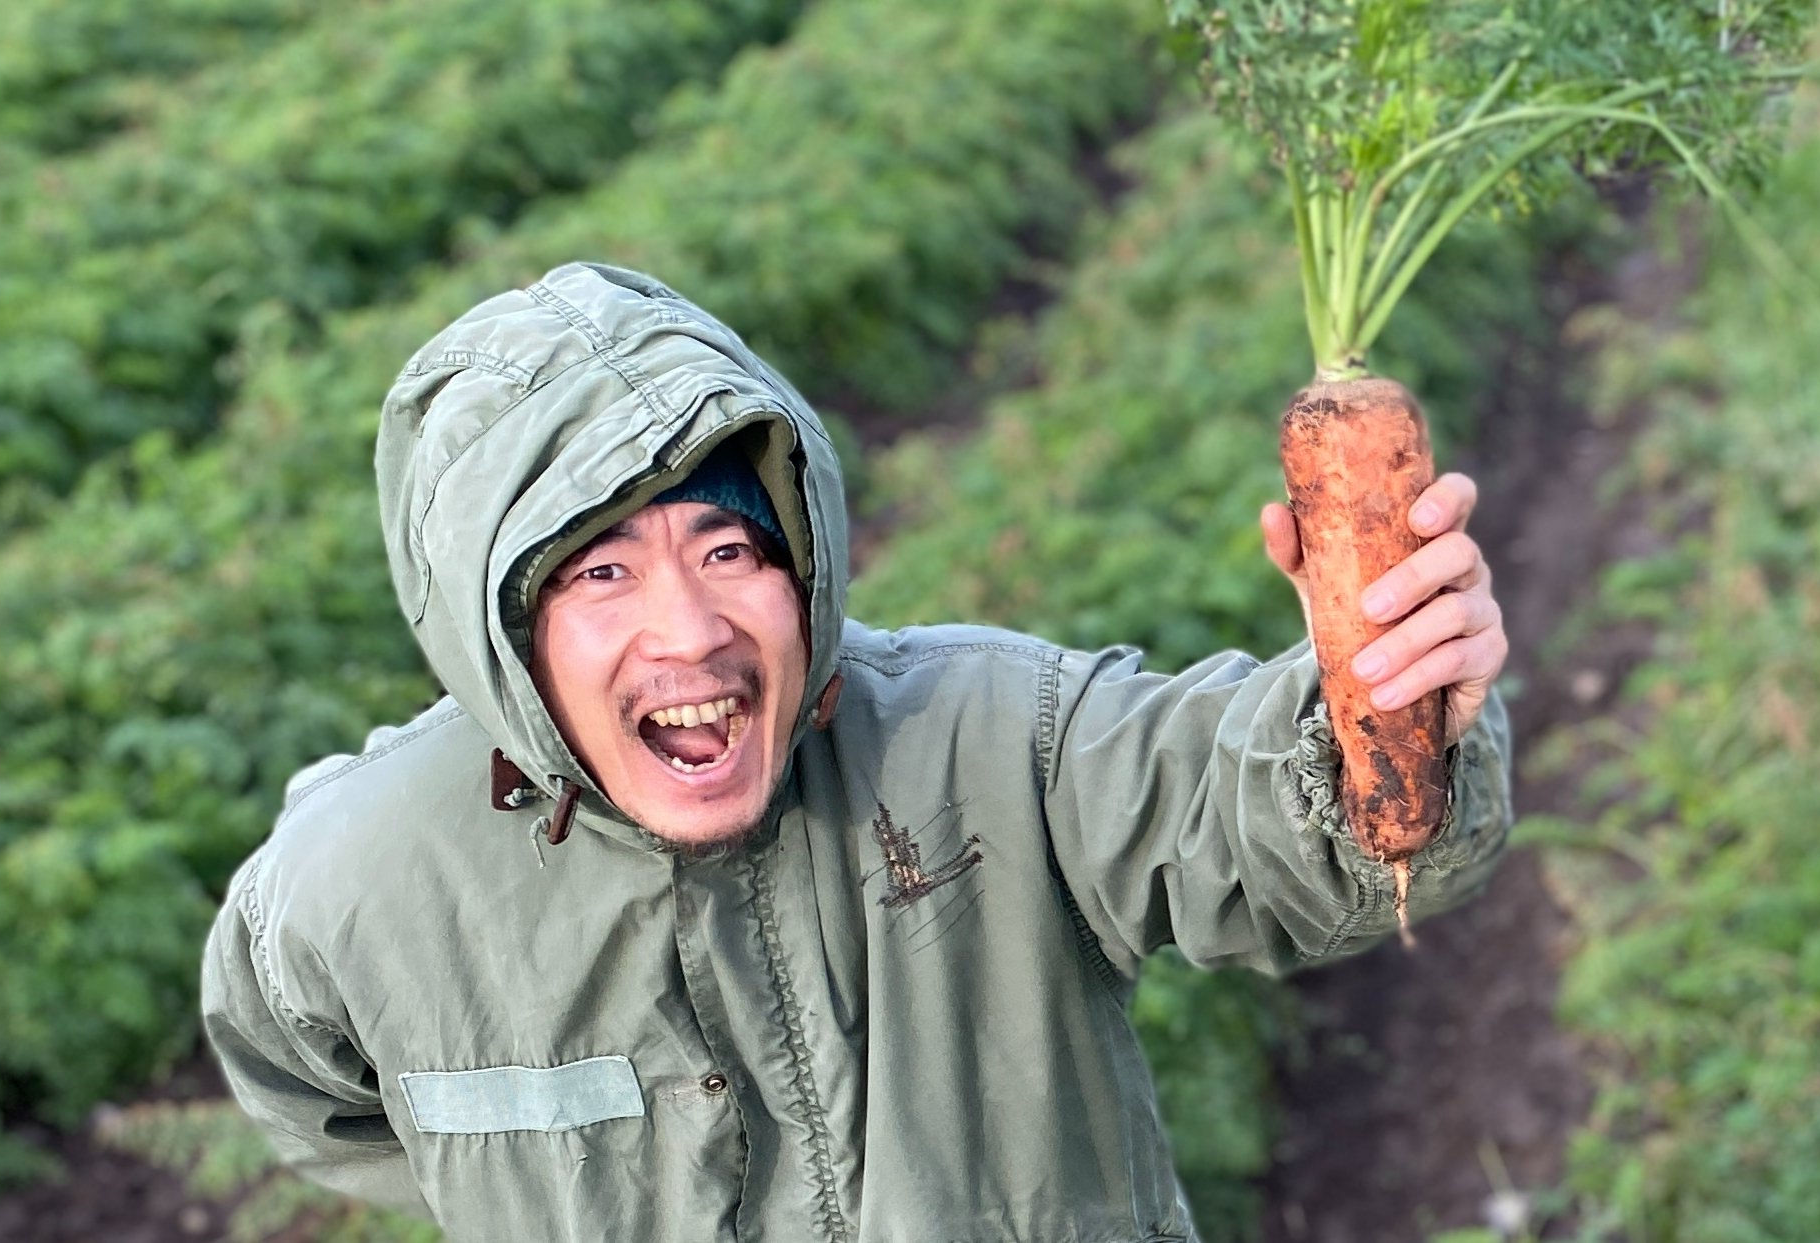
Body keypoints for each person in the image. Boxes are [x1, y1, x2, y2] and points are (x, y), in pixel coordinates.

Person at [201, 262, 1513, 1243]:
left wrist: (1391, 697)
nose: (689, 629)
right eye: (602, 571)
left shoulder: (994, 740)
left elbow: (1263, 829)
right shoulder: (363, 880)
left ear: (805, 564)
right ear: (499, 625)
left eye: (730, 548)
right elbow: (303, 1081)